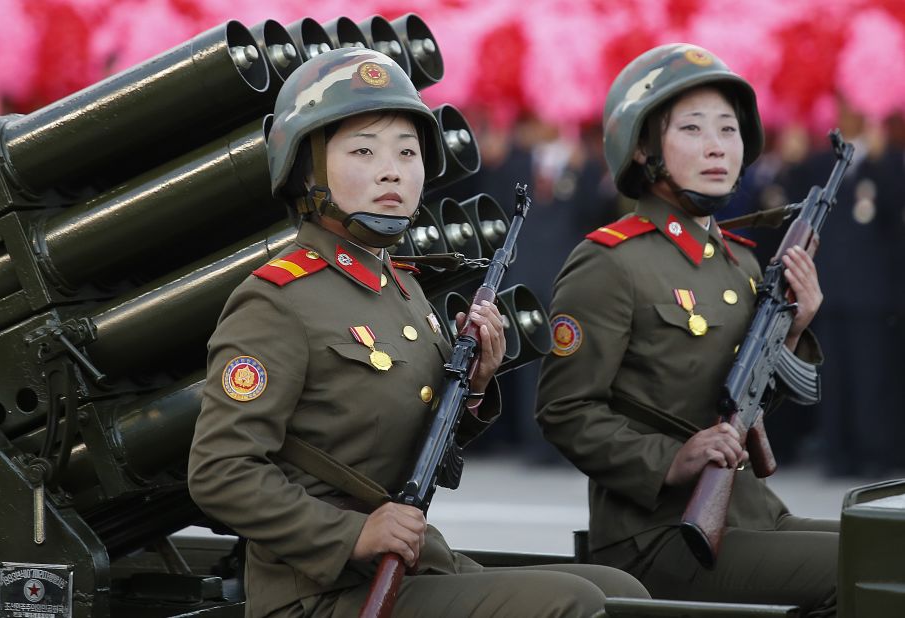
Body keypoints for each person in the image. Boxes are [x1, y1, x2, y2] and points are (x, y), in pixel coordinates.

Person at [188, 48, 648, 618]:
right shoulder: (277, 300)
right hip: (322, 591)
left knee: (621, 592)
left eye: (407, 152)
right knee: (574, 602)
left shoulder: (401, 290)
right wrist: (350, 534)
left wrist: (475, 386)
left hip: (410, 565)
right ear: (306, 169)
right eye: (363, 151)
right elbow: (219, 471)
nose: (392, 170)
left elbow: (421, 452)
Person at [535, 43, 838, 616]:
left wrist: (793, 333)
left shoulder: (741, 261)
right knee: (873, 570)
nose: (717, 145)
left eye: (728, 128)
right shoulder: (609, 262)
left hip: (750, 513)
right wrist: (669, 460)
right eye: (694, 129)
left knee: (886, 548)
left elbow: (743, 403)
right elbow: (564, 411)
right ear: (644, 148)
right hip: (658, 535)